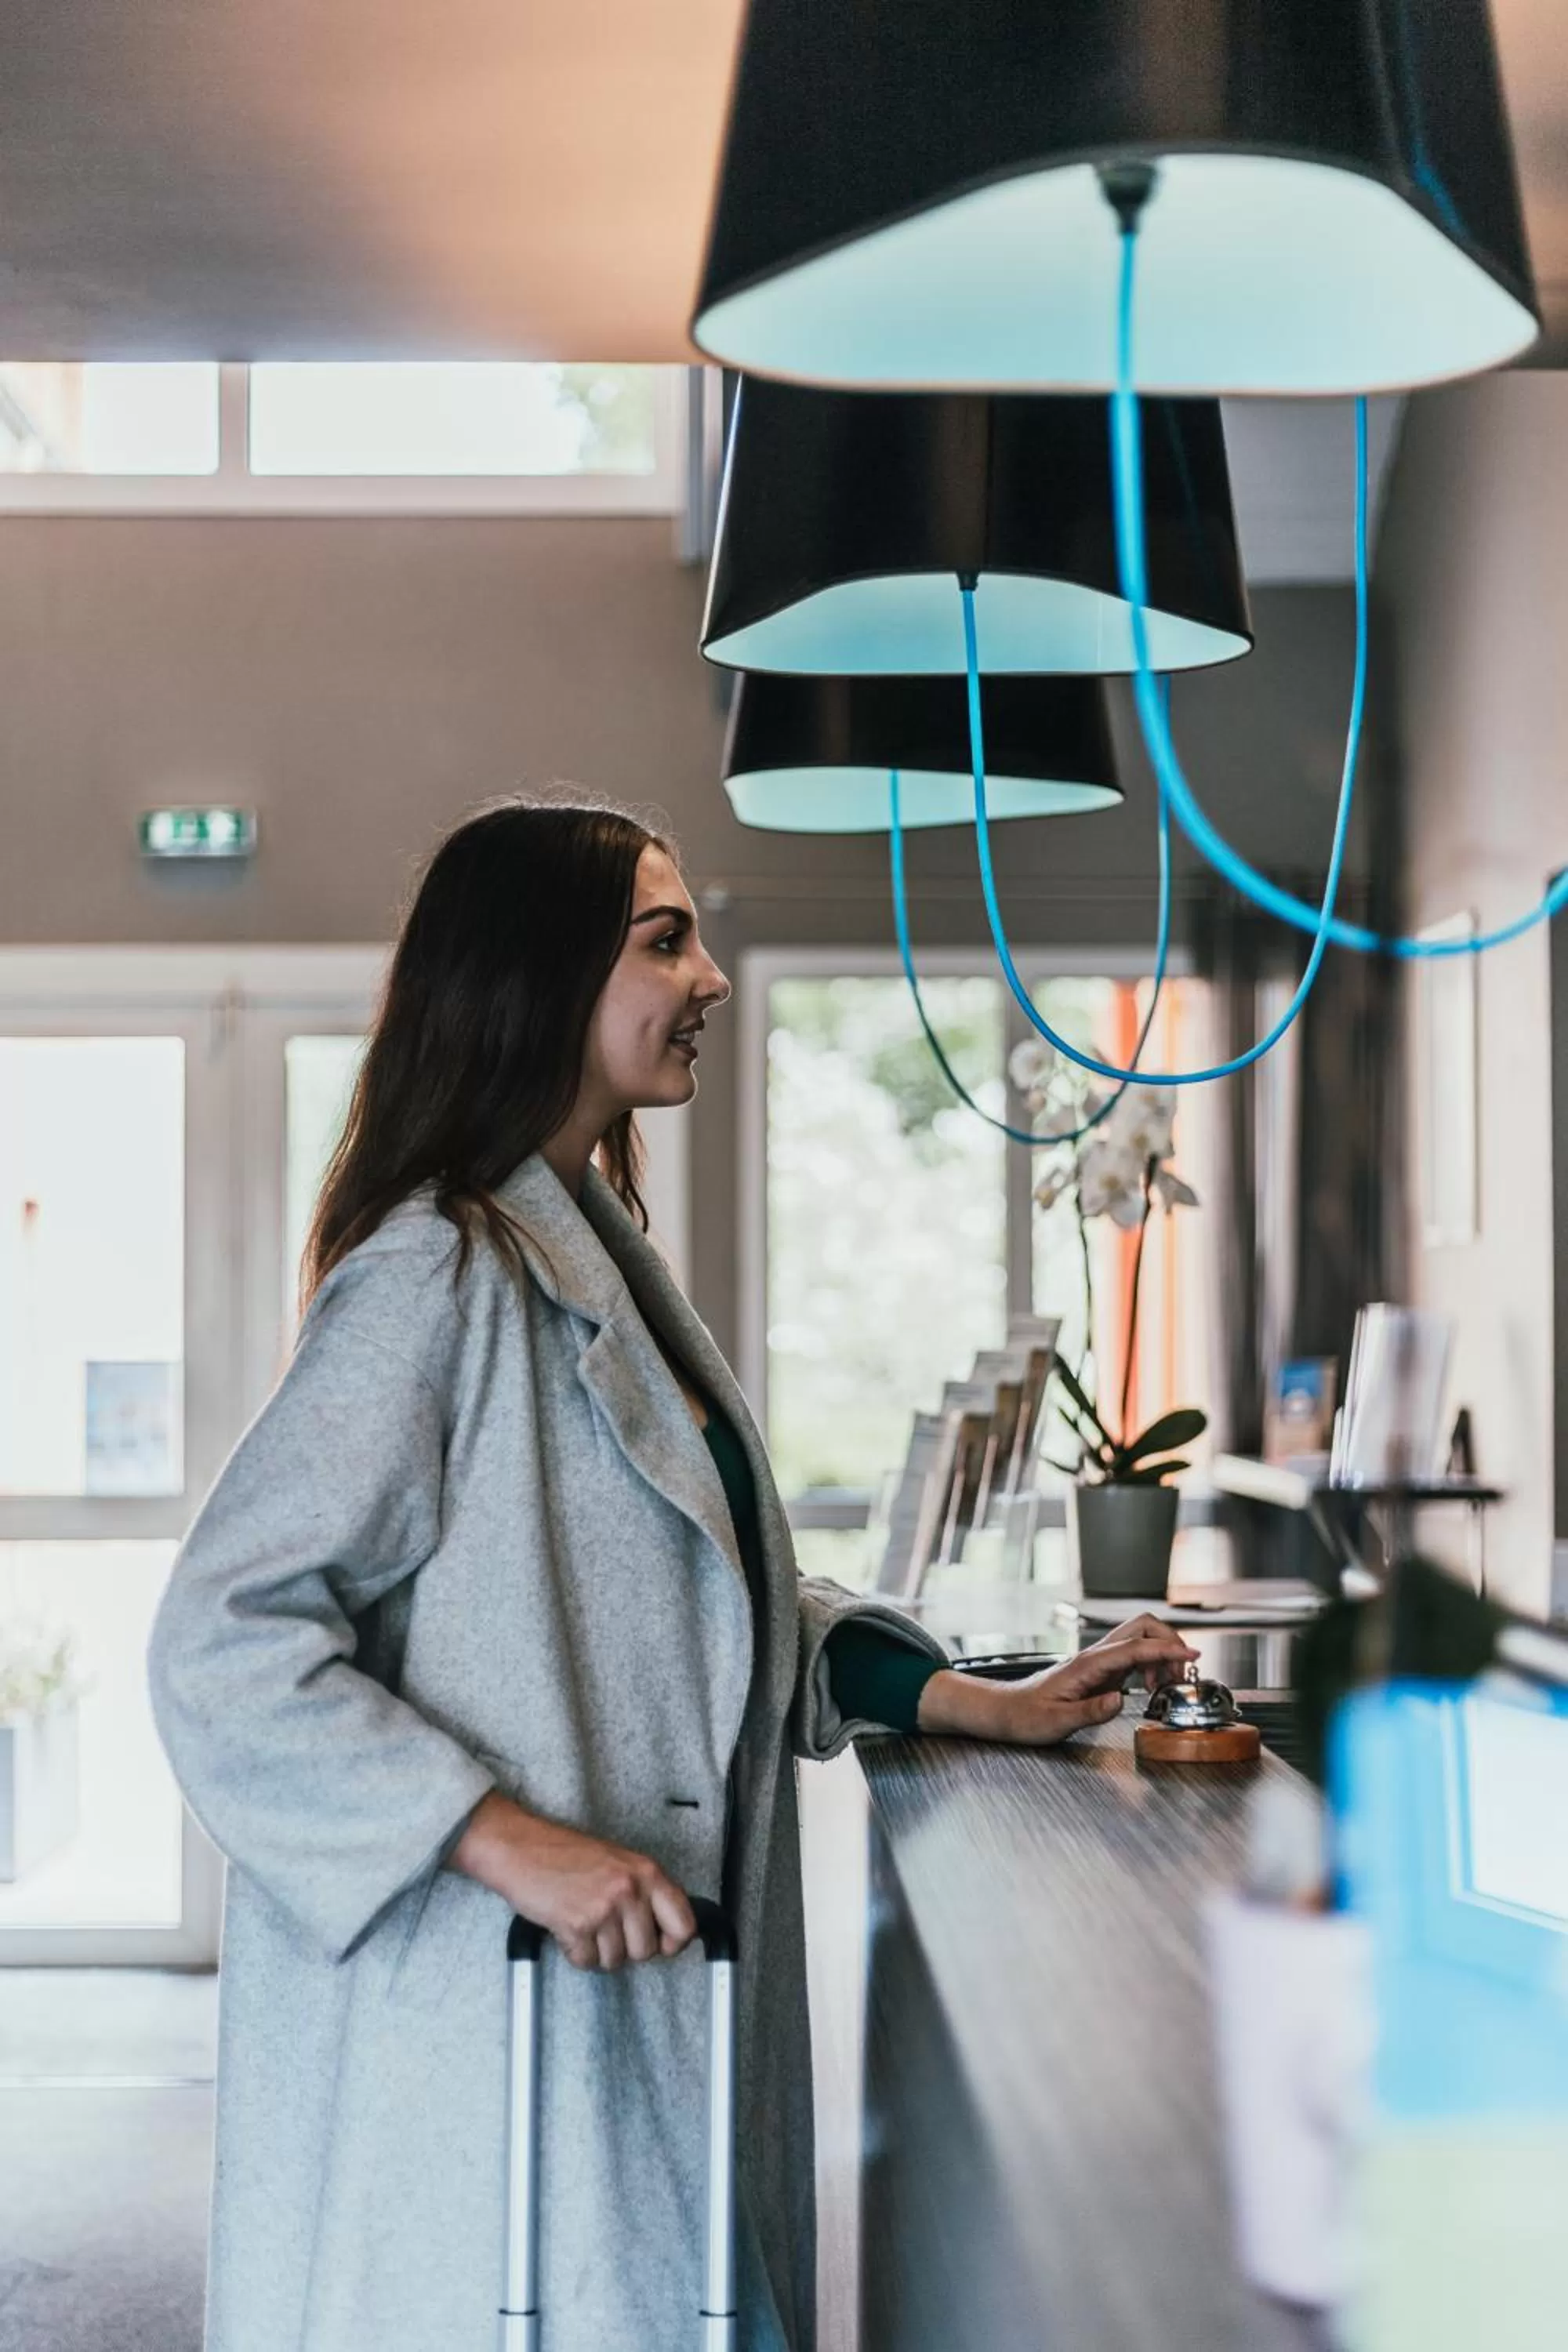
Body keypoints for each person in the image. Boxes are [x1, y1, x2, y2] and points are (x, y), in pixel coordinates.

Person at [147, 797, 1196, 2352]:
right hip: (492, 2025)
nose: (709, 976)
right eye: (665, 939)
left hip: (626, 2010)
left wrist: (973, 1698)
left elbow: (717, 1590)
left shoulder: (592, 1255)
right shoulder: (439, 1272)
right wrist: (503, 1840)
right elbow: (221, 1646)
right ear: (537, 978)